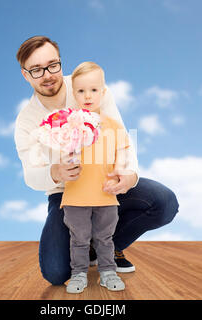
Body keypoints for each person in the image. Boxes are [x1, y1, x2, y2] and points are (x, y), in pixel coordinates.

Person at [14, 35, 179, 286]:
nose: (47, 74)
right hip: (66, 193)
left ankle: (105, 247)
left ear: (60, 62)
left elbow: (121, 135)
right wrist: (55, 171)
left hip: (105, 182)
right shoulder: (27, 120)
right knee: (56, 272)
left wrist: (130, 174)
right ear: (26, 75)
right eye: (36, 70)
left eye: (52, 65)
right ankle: (87, 244)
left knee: (163, 202)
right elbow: (30, 175)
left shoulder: (88, 86)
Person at [57, 61, 129, 293]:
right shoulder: (67, 126)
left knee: (105, 238)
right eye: (80, 90)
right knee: (78, 239)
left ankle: (108, 271)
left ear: (103, 92)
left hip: (105, 195)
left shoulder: (114, 126)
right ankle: (78, 273)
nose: (87, 96)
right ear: (73, 94)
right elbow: (61, 156)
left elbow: (123, 151)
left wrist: (119, 175)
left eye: (94, 90)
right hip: (76, 196)